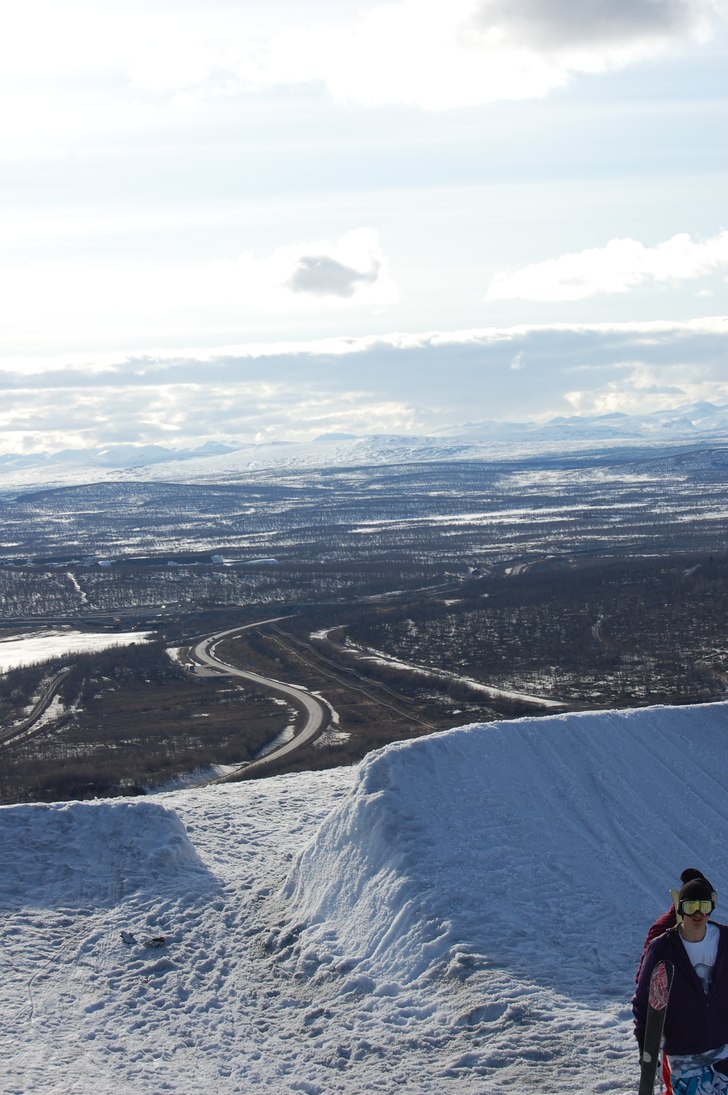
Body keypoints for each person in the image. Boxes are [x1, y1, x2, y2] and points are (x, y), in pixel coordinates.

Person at [633, 874, 728, 1094]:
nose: (698, 913)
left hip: (724, 1048)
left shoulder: (725, 939)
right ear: (680, 907)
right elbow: (644, 1002)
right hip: (685, 1055)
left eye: (703, 905)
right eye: (691, 905)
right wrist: (645, 1050)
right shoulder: (663, 947)